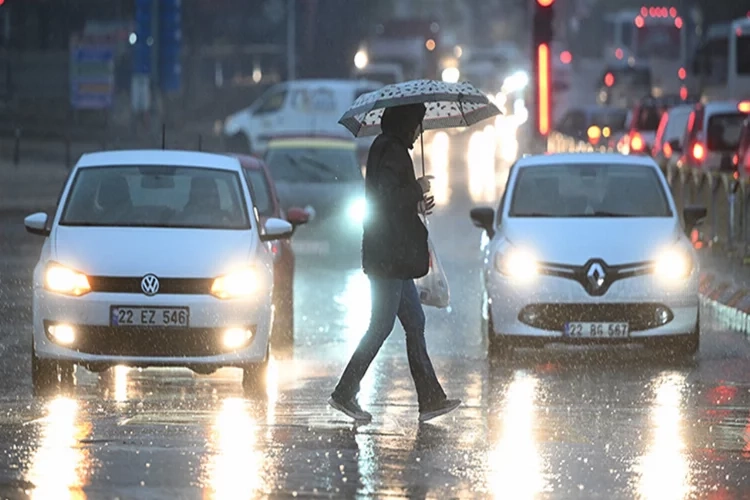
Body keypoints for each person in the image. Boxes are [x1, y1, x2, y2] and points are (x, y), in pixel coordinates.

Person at [328, 103, 461, 423]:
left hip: (395, 256)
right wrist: (417, 187)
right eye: (417, 124)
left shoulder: (391, 148)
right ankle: (344, 393)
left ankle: (430, 398)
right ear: (405, 122)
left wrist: (417, 202)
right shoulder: (390, 149)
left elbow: (394, 201)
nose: (419, 130)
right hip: (387, 257)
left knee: (415, 323)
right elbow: (386, 198)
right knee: (381, 326)